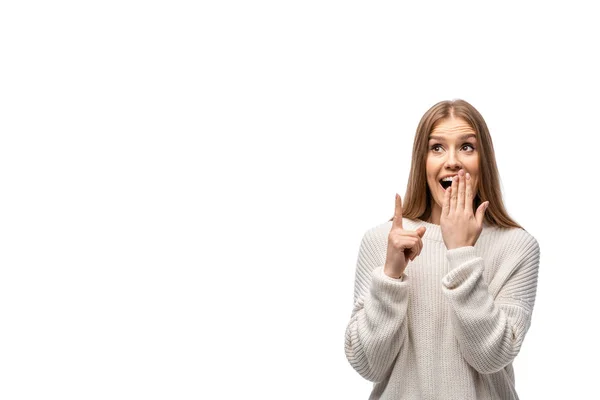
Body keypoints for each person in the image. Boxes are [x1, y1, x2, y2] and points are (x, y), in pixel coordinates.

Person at [344, 99, 540, 400]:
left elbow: (492, 357)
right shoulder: (384, 239)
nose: (452, 162)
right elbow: (368, 365)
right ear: (421, 161)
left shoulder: (517, 246)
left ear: (483, 160)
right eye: (437, 147)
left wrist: (461, 251)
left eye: (466, 147)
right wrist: (391, 276)